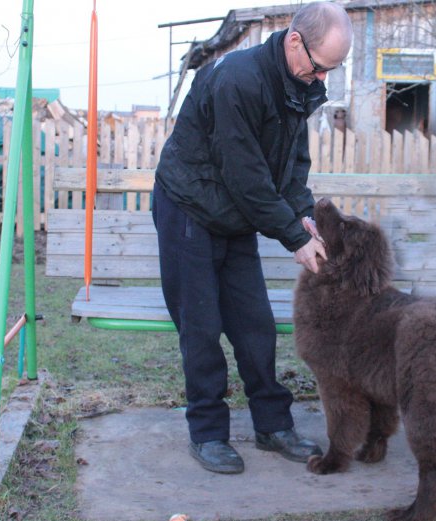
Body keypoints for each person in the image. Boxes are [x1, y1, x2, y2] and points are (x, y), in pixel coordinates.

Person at [152, 2, 353, 473]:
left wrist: (306, 222)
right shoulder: (237, 80)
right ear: (294, 41)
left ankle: (272, 425)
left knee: (255, 325)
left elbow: (290, 169)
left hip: (235, 214)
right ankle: (207, 433)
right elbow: (245, 176)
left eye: (333, 70)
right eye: (321, 66)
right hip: (190, 209)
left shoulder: (298, 84)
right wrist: (292, 237)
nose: (324, 79)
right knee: (201, 329)